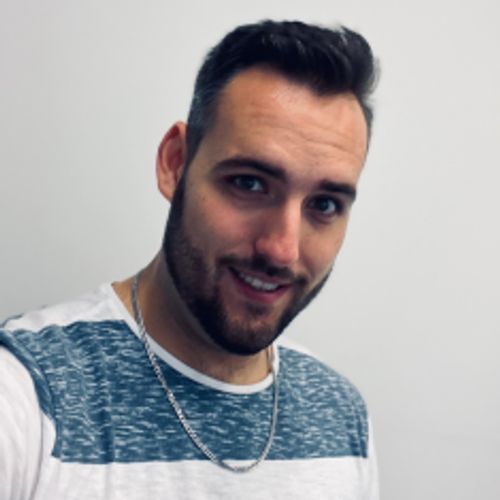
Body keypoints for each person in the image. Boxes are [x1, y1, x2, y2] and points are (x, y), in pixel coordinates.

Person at [0, 20, 379, 499]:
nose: (282, 249)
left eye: (324, 205)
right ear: (175, 163)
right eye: (249, 183)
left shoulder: (341, 416)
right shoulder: (26, 397)